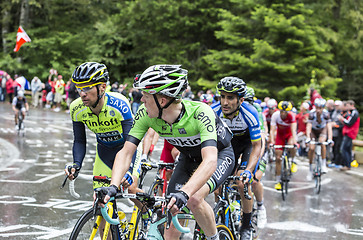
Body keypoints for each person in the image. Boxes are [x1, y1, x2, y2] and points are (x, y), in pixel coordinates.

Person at [98, 64, 236, 240]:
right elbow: (126, 152)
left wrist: (185, 193)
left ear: (162, 101)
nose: (141, 100)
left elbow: (209, 160)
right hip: (187, 158)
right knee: (171, 215)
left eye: (146, 96)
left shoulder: (201, 113)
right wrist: (113, 186)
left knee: (193, 199)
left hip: (220, 155)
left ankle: (214, 238)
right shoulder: (145, 114)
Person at [65, 62, 143, 208]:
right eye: (79, 88)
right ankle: (109, 230)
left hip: (128, 148)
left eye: (87, 88)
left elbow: (130, 140)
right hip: (104, 151)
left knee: (130, 188)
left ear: (102, 87)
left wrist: (130, 170)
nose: (82, 93)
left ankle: (147, 213)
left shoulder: (119, 104)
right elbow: (80, 140)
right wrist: (76, 164)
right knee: (100, 201)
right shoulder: (76, 108)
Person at [213, 77, 262, 239]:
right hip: (229, 145)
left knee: (242, 182)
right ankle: (220, 212)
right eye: (222, 96)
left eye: (230, 98)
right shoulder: (214, 112)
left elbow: (257, 146)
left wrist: (248, 170)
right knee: (217, 182)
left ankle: (246, 225)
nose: (225, 102)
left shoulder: (250, 113)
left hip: (248, 144)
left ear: (241, 100)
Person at [270, 101, 297, 190]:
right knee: (278, 158)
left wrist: (295, 142)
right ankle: (278, 181)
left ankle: (293, 160)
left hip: (289, 135)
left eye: (286, 112)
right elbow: (272, 130)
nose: (284, 113)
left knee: (292, 144)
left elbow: (293, 130)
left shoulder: (292, 116)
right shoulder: (275, 115)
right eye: (282, 111)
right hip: (280, 136)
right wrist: (272, 142)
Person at [305, 98, 333, 179]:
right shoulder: (311, 113)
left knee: (322, 142)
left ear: (323, 108)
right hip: (313, 131)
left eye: (320, 108)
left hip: (322, 130)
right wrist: (307, 137)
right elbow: (308, 126)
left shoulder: (326, 114)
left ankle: (323, 164)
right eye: (317, 107)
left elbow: (329, 127)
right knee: (311, 148)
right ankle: (310, 169)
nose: (318, 110)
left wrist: (330, 139)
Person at [338, 100, 360, 171]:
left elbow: (349, 123)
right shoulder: (350, 113)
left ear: (352, 105)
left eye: (347, 105)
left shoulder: (354, 113)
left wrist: (342, 119)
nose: (347, 107)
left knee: (344, 149)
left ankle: (347, 165)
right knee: (348, 149)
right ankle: (348, 164)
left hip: (350, 133)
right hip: (347, 132)